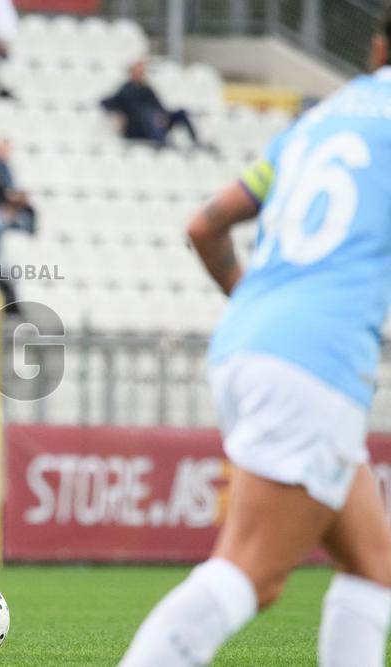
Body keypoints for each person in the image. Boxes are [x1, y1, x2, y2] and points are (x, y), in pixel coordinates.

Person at [119, 15, 391, 667]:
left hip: (254, 337)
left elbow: (204, 226)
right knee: (252, 574)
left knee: (373, 566)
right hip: (319, 360)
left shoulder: (319, 121)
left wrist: (259, 305)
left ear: (377, 48)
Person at [101, 61, 199, 148]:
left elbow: (159, 106)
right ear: (132, 73)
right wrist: (118, 113)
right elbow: (105, 102)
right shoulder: (125, 90)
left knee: (181, 113)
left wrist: (163, 115)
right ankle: (163, 144)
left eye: (142, 72)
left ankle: (195, 142)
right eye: (138, 72)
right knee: (148, 114)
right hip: (137, 127)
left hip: (155, 123)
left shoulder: (147, 89)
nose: (141, 75)